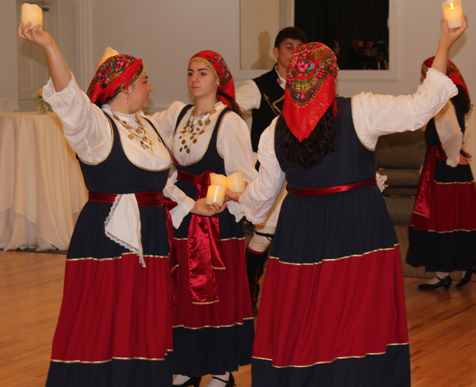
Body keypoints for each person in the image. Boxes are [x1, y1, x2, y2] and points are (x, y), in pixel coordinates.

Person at [226, 16, 468, 386]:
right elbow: (421, 106)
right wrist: (444, 44)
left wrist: (234, 192)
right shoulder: (361, 110)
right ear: (331, 76)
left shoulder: (276, 128)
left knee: (305, 315)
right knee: (357, 315)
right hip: (358, 224)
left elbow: (260, 203)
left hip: (301, 228)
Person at [18, 23, 223, 387]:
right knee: (101, 315)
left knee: (145, 314)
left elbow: (163, 183)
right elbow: (68, 95)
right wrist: (49, 45)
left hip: (151, 237)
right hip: (106, 236)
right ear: (126, 88)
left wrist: (195, 206)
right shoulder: (94, 125)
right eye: (145, 81)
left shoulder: (147, 126)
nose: (151, 87)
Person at [151, 50, 258, 387]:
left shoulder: (230, 121)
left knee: (217, 293)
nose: (195, 79)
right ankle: (187, 364)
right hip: (181, 215)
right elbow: (142, 131)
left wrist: (225, 194)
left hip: (215, 220)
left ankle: (222, 370)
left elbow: (246, 177)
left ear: (218, 79)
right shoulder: (177, 114)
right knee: (182, 290)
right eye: (190, 73)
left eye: (203, 73)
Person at [236, 27, 307, 315]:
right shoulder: (258, 86)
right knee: (263, 236)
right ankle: (247, 293)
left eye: (300, 48)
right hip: (270, 170)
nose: (295, 53)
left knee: (300, 235)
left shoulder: (310, 85)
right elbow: (227, 108)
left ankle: (295, 299)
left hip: (302, 171)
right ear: (276, 52)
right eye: (289, 47)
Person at [406, 58, 476, 290]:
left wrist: (450, 155)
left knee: (443, 218)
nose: (420, 79)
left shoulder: (446, 101)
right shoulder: (446, 100)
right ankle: (454, 268)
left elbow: (451, 135)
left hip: (445, 167)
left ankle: (445, 273)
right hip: (444, 164)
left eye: (424, 74)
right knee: (452, 217)